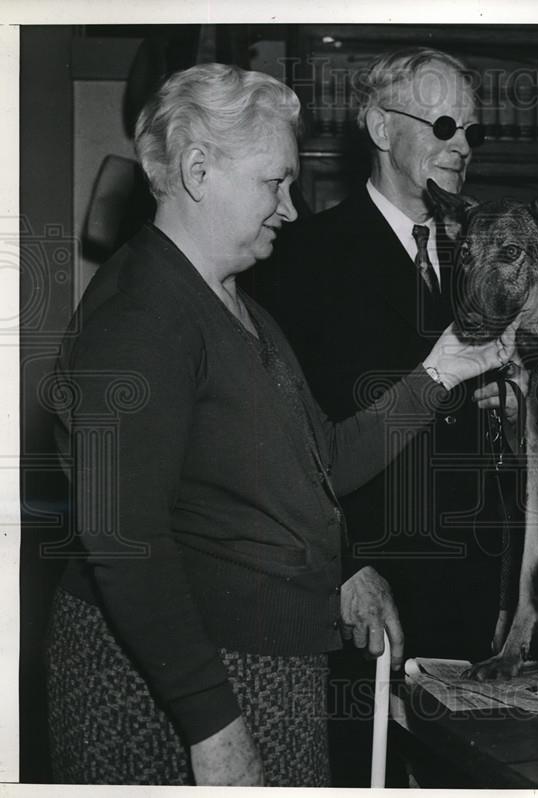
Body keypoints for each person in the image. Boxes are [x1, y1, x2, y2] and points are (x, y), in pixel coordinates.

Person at [44, 62, 513, 788]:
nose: (290, 209)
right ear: (199, 170)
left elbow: (321, 459)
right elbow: (125, 545)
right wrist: (212, 727)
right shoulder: (138, 317)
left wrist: (440, 373)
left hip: (266, 667)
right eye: (275, 183)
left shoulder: (235, 304)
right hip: (188, 690)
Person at [263, 47, 509, 662]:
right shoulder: (301, 257)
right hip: (371, 595)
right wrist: (344, 570)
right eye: (444, 127)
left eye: (470, 130)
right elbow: (280, 440)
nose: (463, 147)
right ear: (380, 128)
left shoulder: (488, 253)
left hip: (479, 589)